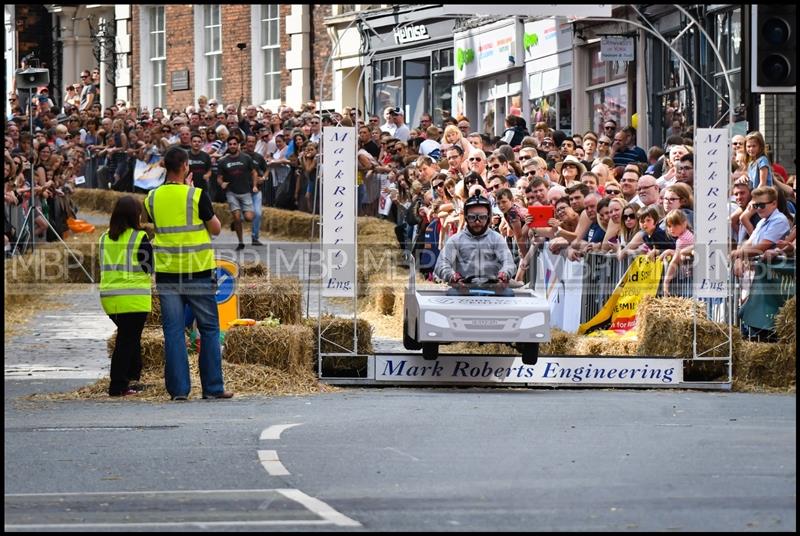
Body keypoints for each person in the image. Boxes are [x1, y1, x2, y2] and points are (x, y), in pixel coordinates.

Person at [143, 146, 232, 401]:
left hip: (168, 273)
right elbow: (215, 229)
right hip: (198, 272)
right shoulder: (196, 195)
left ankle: (179, 391)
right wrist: (189, 190)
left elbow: (150, 220)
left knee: (173, 332)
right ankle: (213, 388)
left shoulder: (151, 197)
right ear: (184, 167)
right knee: (209, 328)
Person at [99, 195, 153, 397]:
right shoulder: (139, 237)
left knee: (130, 337)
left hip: (109, 298)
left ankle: (132, 377)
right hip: (133, 299)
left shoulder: (104, 237)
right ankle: (118, 385)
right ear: (135, 215)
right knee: (126, 341)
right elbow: (149, 267)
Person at [434, 194, 516, 296]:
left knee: (509, 295)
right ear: (466, 218)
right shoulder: (455, 240)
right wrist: (452, 276)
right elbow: (441, 264)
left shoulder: (497, 238)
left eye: (482, 217)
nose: (477, 222)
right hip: (463, 289)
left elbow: (509, 262)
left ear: (488, 217)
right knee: (452, 294)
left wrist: (504, 274)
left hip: (493, 289)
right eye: (472, 217)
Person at [218, 134, 258, 249]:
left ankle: (236, 221)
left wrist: (254, 185)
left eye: (234, 144)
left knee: (249, 218)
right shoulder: (223, 161)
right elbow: (219, 177)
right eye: (230, 144)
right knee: (237, 217)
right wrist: (222, 183)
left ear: (238, 145)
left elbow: (254, 172)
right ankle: (241, 242)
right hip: (232, 192)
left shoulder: (246, 158)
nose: (232, 146)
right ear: (227, 146)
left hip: (245, 192)